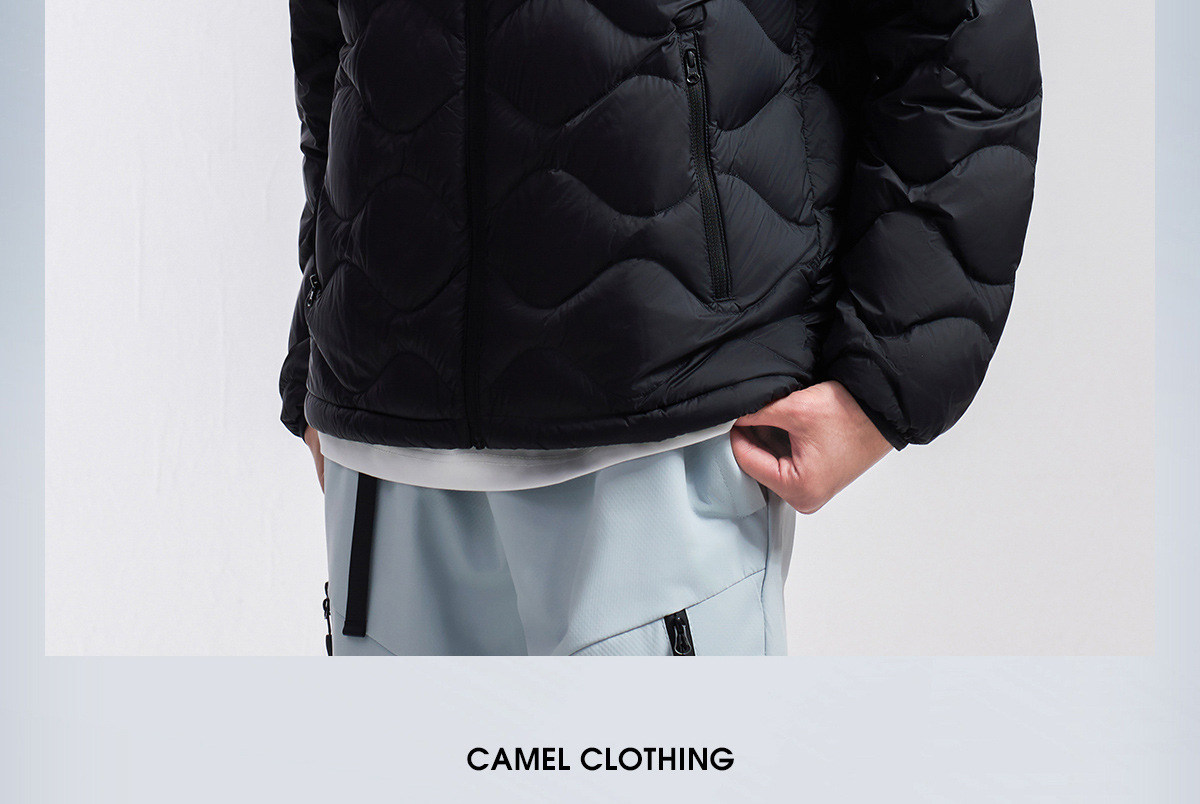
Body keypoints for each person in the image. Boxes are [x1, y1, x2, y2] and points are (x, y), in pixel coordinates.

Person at [279, 0, 1042, 655]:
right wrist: (319, 338)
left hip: (663, 426)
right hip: (384, 440)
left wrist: (886, 383)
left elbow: (957, 38)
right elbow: (333, 57)